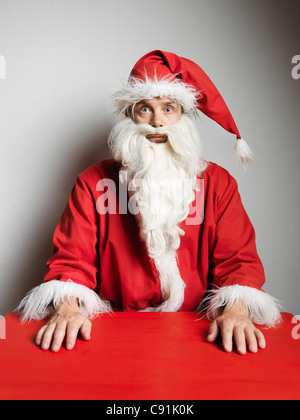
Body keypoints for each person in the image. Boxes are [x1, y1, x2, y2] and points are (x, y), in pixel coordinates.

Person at [17, 50, 281, 354]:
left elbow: (238, 262)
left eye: (168, 109)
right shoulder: (93, 183)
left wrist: (235, 311)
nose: (157, 122)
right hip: (113, 332)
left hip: (198, 332)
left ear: (183, 115)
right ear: (130, 115)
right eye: (145, 109)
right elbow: (71, 261)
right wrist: (67, 306)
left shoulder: (218, 184)